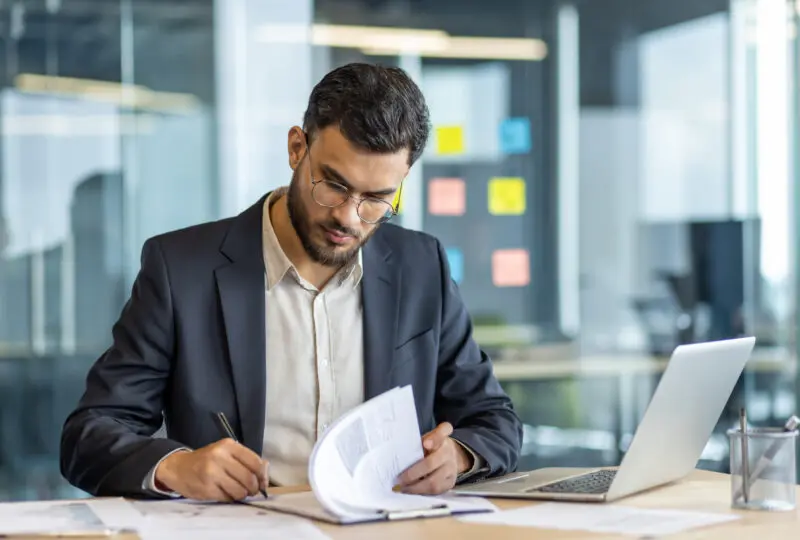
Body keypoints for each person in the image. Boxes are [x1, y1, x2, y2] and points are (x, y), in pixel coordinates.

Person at [60, 62, 522, 501]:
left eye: (376, 199)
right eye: (334, 185)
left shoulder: (423, 267)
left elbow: (494, 420)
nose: (348, 216)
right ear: (297, 148)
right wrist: (177, 466)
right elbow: (89, 435)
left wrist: (459, 456)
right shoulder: (181, 269)